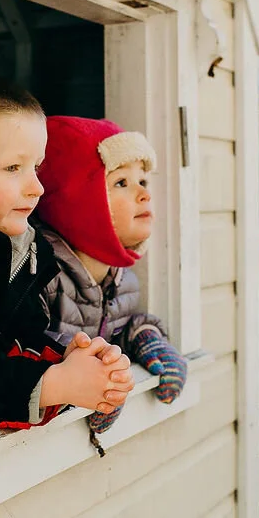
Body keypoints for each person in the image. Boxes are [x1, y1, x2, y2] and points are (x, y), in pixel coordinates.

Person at [0, 73, 135, 429]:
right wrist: (55, 384)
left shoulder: (29, 250)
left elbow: (21, 336)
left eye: (37, 167)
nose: (37, 188)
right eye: (13, 168)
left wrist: (68, 360)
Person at [35, 116, 188, 437]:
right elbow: (28, 348)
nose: (144, 194)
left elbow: (112, 327)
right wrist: (95, 370)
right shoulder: (39, 273)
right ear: (76, 202)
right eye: (121, 182)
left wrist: (143, 335)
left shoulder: (123, 280)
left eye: (143, 181)